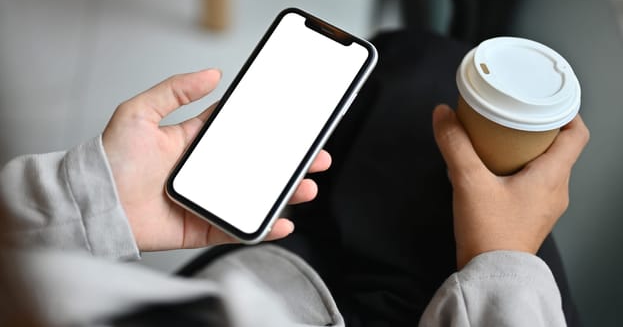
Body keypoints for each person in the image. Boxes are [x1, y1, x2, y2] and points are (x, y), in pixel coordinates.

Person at [0, 30, 589, 327]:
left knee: (395, 79)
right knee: (419, 68)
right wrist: (504, 261)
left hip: (254, 284)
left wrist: (96, 203)